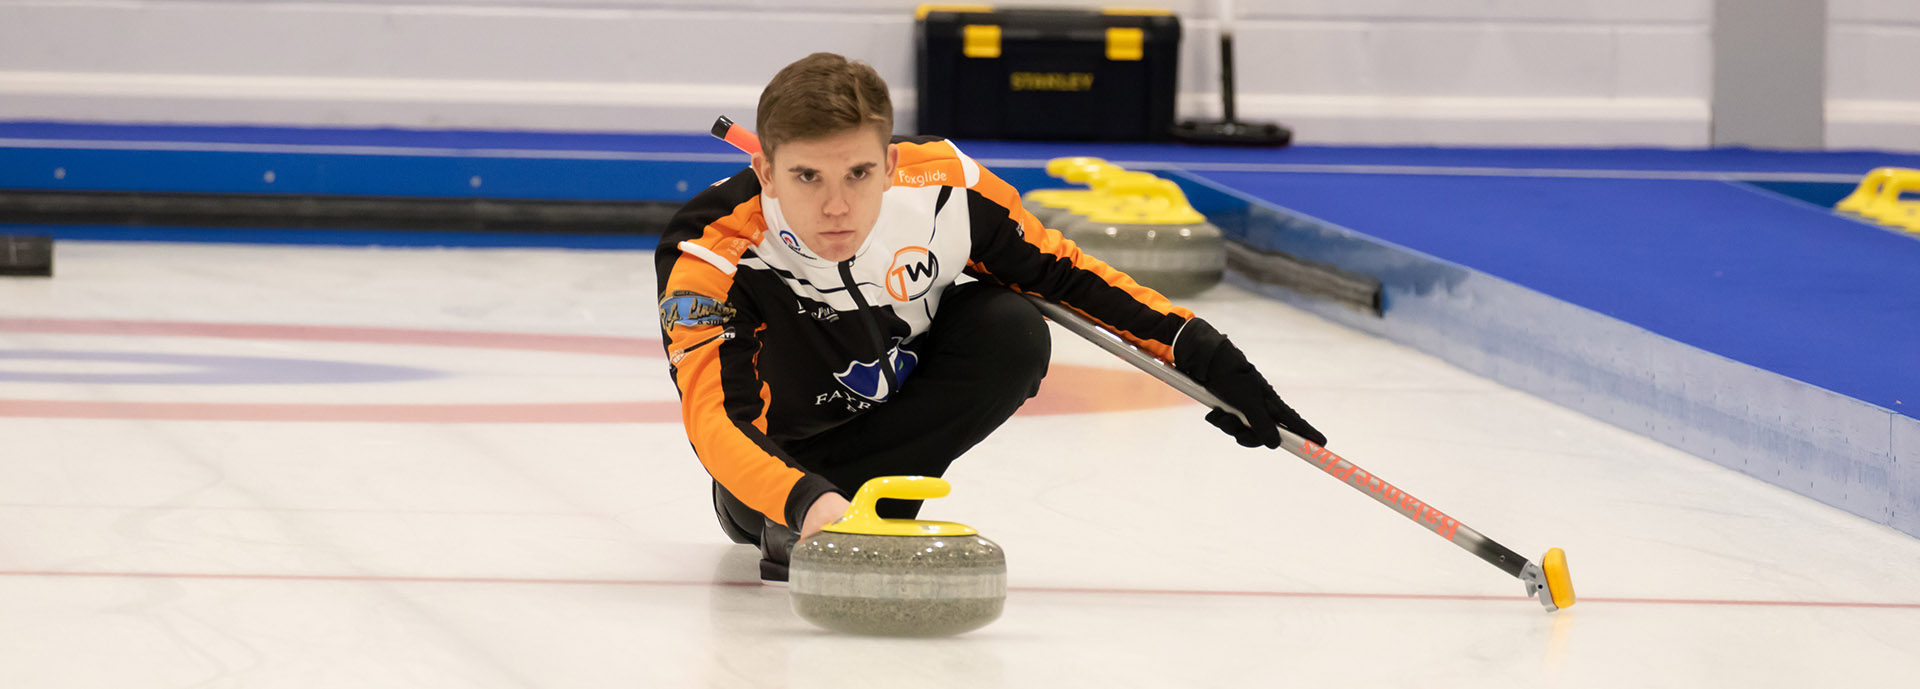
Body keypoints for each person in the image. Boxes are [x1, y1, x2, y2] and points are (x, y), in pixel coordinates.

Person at [657, 52, 1326, 582]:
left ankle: (871, 496)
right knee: (761, 479)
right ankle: (811, 506)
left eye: (858, 174)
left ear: (891, 164)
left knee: (1010, 328)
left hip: (892, 423)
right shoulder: (707, 246)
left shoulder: (948, 191)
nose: (837, 206)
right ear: (764, 171)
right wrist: (803, 501)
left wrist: (1201, 350)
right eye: (807, 178)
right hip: (770, 477)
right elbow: (715, 418)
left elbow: (1067, 273)